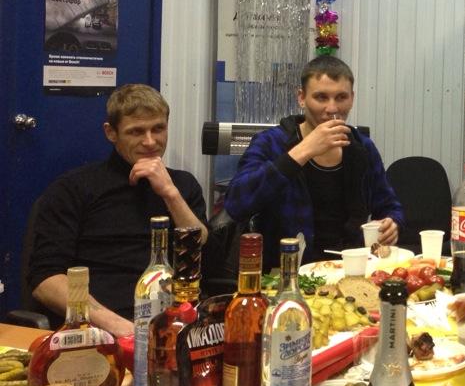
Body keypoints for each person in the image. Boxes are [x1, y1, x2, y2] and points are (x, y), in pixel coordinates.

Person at [28, 84, 208, 337]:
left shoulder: (182, 185)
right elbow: (45, 280)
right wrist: (120, 328)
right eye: (136, 131)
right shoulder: (75, 188)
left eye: (158, 129)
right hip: (104, 327)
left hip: (177, 322)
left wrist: (170, 193)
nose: (150, 141)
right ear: (111, 133)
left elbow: (202, 249)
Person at [225, 56, 403, 270]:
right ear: (301, 98)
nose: (332, 108)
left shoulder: (362, 148)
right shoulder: (271, 142)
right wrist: (303, 151)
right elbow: (236, 204)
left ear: (352, 99)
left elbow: (388, 206)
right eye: (321, 97)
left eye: (341, 97)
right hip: (288, 272)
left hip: (349, 269)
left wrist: (392, 223)